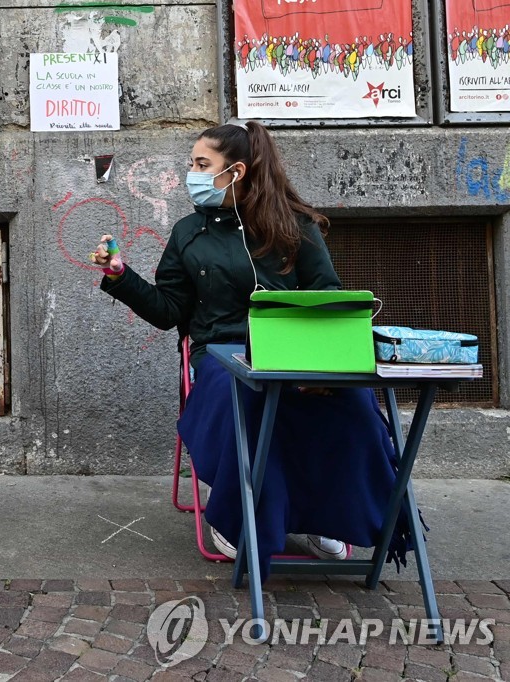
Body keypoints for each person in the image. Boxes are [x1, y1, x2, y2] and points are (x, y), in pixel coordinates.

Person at [92, 121, 412, 577]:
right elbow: (167, 311)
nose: (192, 174)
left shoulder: (294, 226)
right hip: (221, 354)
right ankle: (235, 512)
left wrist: (317, 363)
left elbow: (327, 296)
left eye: (202, 165)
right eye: (192, 164)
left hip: (297, 354)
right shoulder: (188, 234)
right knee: (248, 397)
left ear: (236, 171)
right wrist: (120, 274)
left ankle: (328, 514)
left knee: (354, 403)